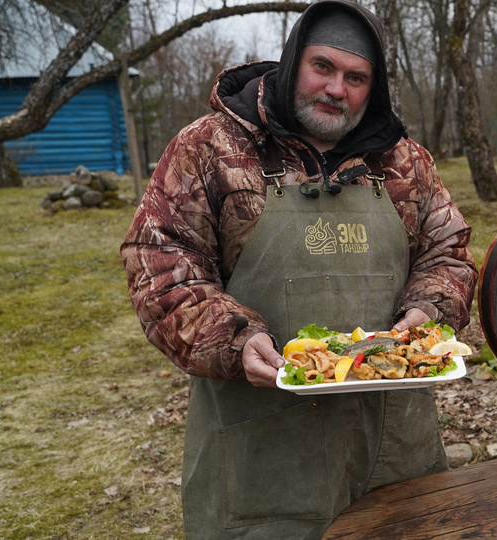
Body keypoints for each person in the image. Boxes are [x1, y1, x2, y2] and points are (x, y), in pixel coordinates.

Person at [120, 1, 478, 537]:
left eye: (356, 77)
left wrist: (429, 308)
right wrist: (235, 339)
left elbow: (448, 253)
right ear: (292, 63)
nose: (337, 89)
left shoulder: (407, 163)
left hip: (392, 436)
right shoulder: (209, 149)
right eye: (323, 67)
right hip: (262, 446)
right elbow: (160, 263)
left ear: (373, 87)